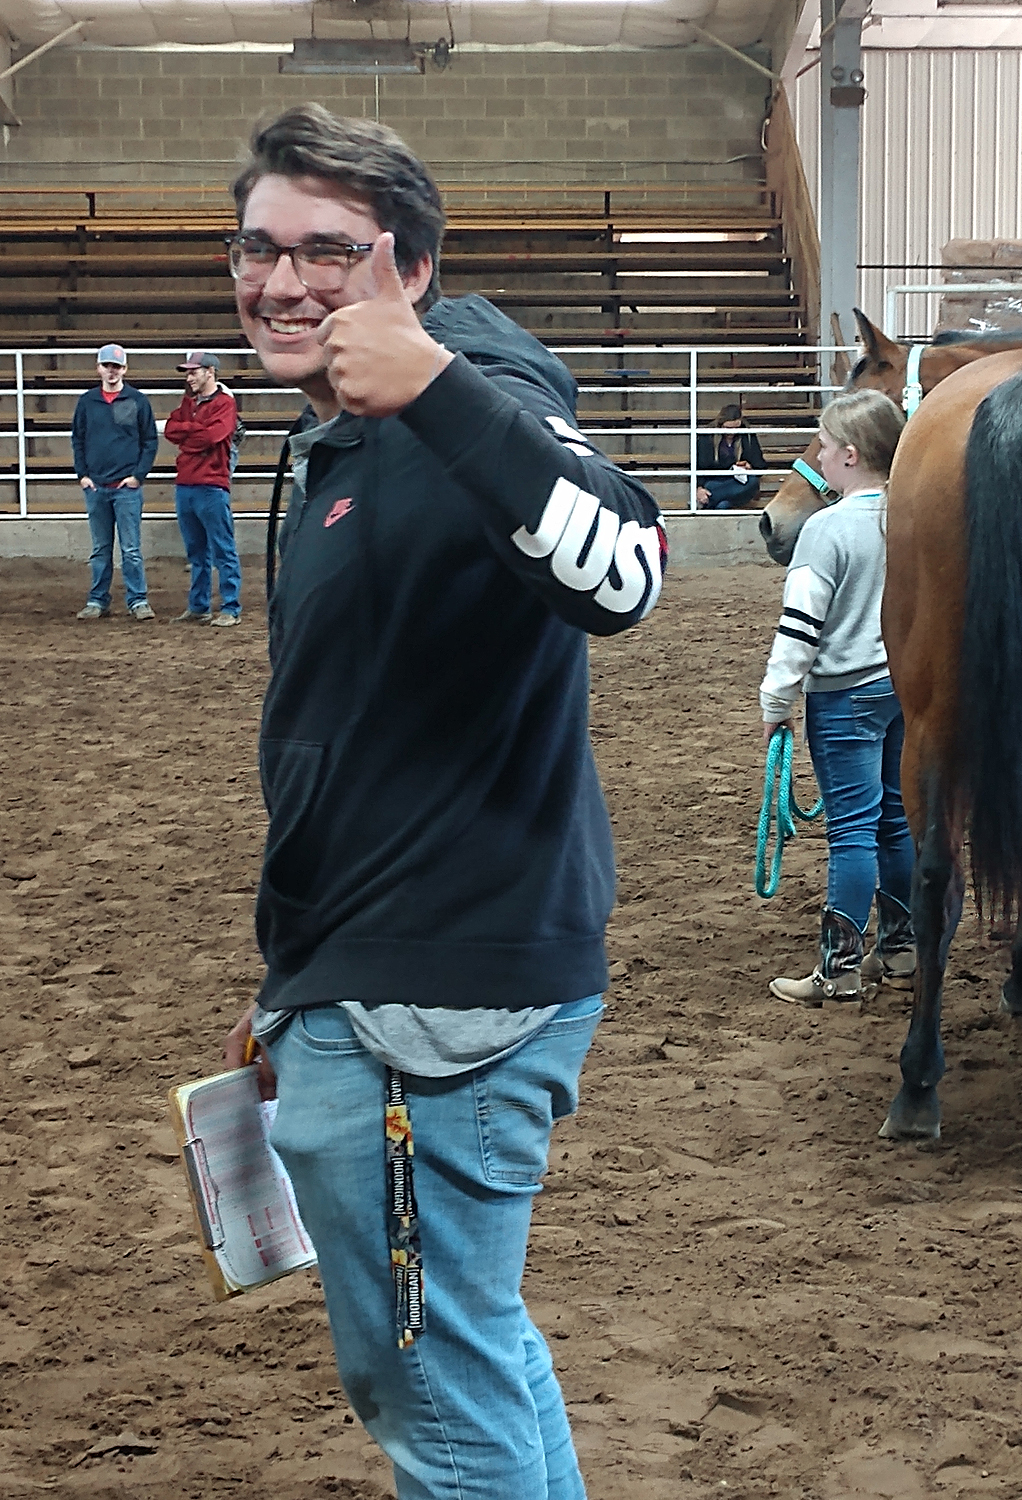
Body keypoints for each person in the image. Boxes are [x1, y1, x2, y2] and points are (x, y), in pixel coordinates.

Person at [218, 104, 665, 1499]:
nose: (283, 283)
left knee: (432, 1391)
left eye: (328, 253)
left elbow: (629, 575)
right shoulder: (333, 441)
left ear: (408, 268)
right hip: (376, 975)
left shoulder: (468, 399)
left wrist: (437, 387)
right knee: (473, 1348)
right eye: (259, 248)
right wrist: (296, 969)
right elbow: (331, 737)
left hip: (440, 1005)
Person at [759, 388, 915, 1005]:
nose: (817, 459)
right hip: (900, 688)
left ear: (850, 455)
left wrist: (777, 702)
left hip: (843, 696)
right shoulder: (910, 519)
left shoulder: (825, 530)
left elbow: (799, 627)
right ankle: (900, 950)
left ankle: (838, 969)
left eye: (822, 447)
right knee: (895, 821)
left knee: (851, 831)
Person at [71, 343, 159, 621]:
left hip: (125, 488)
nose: (112, 371)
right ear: (99, 368)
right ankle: (99, 599)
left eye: (116, 366)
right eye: (107, 366)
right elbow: (78, 439)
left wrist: (137, 476)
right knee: (101, 549)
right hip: (97, 486)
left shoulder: (137, 401)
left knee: (130, 549)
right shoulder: (87, 402)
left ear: (124, 369)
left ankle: (137, 599)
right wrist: (82, 475)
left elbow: (150, 441)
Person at [164, 351, 242, 626]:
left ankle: (230, 607)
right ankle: (201, 606)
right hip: (191, 484)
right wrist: (193, 431)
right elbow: (171, 430)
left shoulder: (224, 403)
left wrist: (187, 436)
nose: (189, 377)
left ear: (210, 372)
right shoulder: (196, 402)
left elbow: (211, 436)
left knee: (221, 549)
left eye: (193, 372)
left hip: (209, 484)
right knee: (198, 551)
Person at [696, 404, 765, 509]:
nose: (732, 432)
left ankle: (710, 500)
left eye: (736, 428)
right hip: (715, 481)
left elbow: (760, 465)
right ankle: (716, 500)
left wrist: (749, 466)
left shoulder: (747, 435)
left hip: (738, 482)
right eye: (728, 428)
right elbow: (699, 465)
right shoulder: (707, 436)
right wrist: (699, 488)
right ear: (720, 425)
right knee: (722, 505)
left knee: (753, 482)